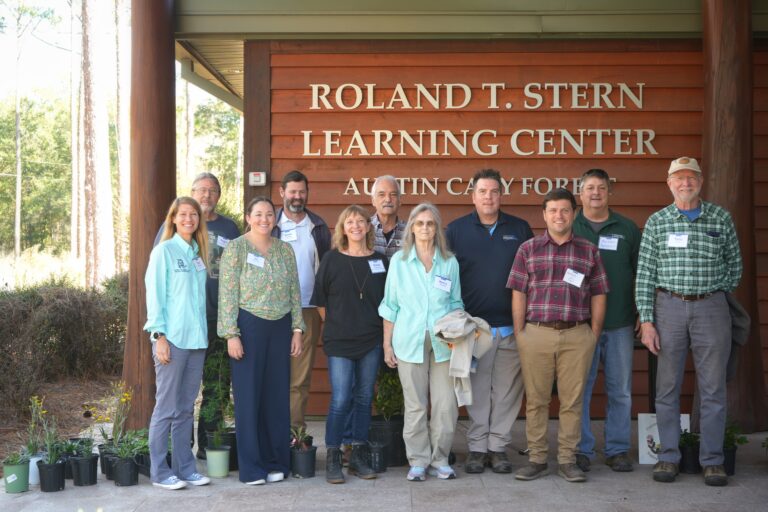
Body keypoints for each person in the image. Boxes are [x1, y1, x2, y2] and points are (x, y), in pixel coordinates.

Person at [635, 156, 742, 486]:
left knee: (713, 388)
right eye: (679, 178)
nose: (685, 183)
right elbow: (645, 275)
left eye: (691, 177)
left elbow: (734, 267)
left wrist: (709, 290)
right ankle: (668, 457)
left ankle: (712, 460)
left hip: (712, 309)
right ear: (669, 183)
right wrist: (648, 321)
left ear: (700, 181)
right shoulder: (657, 222)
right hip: (668, 307)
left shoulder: (720, 218)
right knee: (667, 387)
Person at [507, 188, 609, 483]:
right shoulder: (528, 248)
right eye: (553, 210)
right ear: (544, 215)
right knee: (536, 400)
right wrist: (520, 332)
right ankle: (537, 458)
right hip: (536, 334)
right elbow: (518, 292)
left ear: (574, 214)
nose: (559, 216)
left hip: (577, 335)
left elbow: (599, 293)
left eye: (565, 210)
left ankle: (567, 459)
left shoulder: (588, 250)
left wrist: (593, 333)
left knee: (572, 401)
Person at [446, 168, 533, 474]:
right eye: (482, 191)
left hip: (512, 326)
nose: (488, 197)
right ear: (473, 195)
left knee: (508, 391)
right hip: (475, 330)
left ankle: (497, 448)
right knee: (478, 391)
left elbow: (531, 278)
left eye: (494, 191)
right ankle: (477, 448)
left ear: (501, 195)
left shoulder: (520, 229)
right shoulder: (455, 231)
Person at [152, 172, 240, 459]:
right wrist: (159, 333)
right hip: (181, 325)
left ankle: (208, 444)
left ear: (219, 195)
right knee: (177, 392)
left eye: (212, 190)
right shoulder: (169, 240)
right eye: (201, 190)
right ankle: (177, 450)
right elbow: (158, 285)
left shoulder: (230, 228)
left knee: (216, 384)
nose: (206, 195)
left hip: (218, 321)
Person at [218, 196, 304, 485]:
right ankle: (252, 468)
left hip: (280, 328)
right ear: (248, 217)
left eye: (269, 214)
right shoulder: (236, 248)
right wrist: (231, 334)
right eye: (258, 214)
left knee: (276, 398)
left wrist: (297, 329)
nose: (264, 219)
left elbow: (295, 291)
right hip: (248, 327)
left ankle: (276, 461)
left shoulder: (285, 250)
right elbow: (227, 294)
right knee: (249, 399)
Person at [379, 203, 464, 482]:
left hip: (444, 344)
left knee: (445, 405)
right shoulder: (399, 263)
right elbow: (390, 306)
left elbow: (456, 302)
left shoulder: (449, 262)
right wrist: (387, 344)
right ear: (412, 228)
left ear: (437, 228)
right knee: (415, 404)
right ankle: (417, 460)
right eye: (420, 223)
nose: (425, 228)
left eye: (430, 223)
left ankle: (440, 459)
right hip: (408, 341)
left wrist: (458, 331)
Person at [312, 205, 387, 484]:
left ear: (369, 227)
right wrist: (337, 324)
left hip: (371, 339)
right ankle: (334, 455)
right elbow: (320, 300)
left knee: (364, 398)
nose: (355, 226)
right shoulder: (331, 260)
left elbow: (388, 302)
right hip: (340, 340)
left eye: (361, 221)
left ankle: (357, 454)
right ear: (342, 228)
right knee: (341, 398)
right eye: (349, 222)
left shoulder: (381, 261)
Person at [573, 168, 641, 474]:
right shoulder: (569, 226)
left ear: (608, 192)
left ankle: (617, 449)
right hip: (580, 325)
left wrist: (644, 312)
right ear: (580, 193)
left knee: (620, 389)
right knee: (580, 389)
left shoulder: (626, 228)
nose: (595, 193)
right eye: (589, 188)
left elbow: (643, 273)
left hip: (620, 322)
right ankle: (581, 448)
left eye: (601, 188)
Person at [144, 196, 212, 490]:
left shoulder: (198, 252)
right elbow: (155, 296)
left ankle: (185, 468)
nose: (189, 219)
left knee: (185, 409)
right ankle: (160, 472)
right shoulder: (164, 252)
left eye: (193, 215)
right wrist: (159, 336)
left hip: (196, 342)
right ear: (173, 218)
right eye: (183, 214)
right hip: (171, 341)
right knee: (166, 408)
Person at [272, 170, 332, 429]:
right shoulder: (270, 225)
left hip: (308, 309)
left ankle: (293, 435)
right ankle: (272, 432)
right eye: (292, 191)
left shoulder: (317, 227)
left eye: (302, 191)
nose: (297, 197)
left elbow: (326, 270)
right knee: (273, 375)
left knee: (299, 378)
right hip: (272, 311)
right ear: (282, 192)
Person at [370, 175, 407, 257]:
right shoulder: (363, 228)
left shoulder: (410, 231)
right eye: (381, 194)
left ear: (400, 200)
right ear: (373, 201)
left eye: (393, 194)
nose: (388, 199)